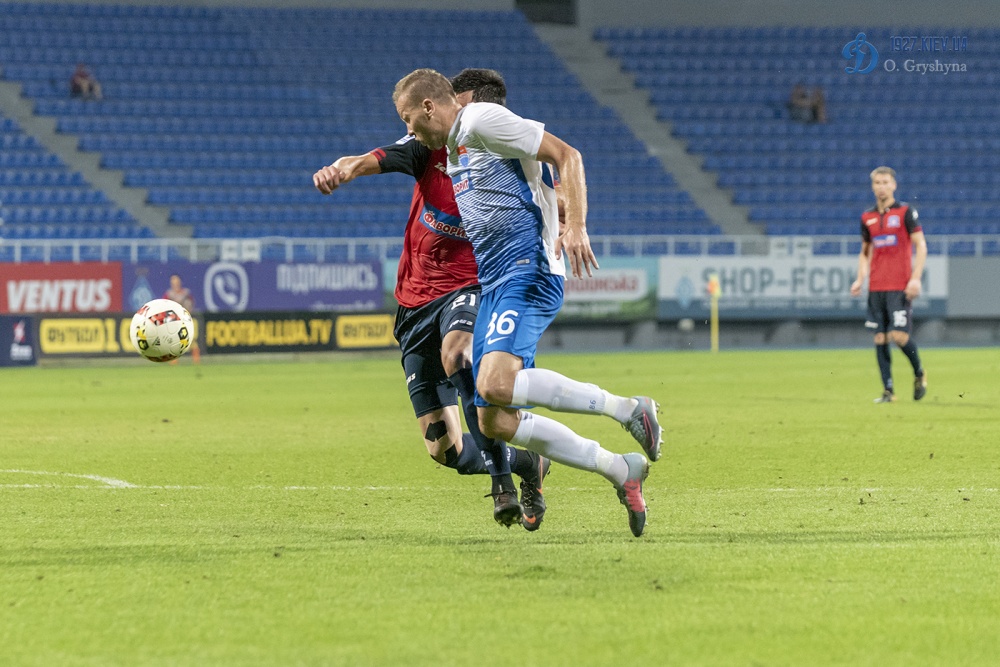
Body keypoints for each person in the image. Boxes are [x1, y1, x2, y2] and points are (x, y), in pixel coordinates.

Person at [391, 68, 664, 537]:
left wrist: (576, 226)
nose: (409, 129)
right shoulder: (456, 147)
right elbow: (532, 181)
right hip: (495, 281)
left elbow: (566, 155)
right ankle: (620, 468)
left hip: (527, 268)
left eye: (408, 118)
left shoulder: (479, 119)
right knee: (495, 420)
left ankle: (627, 408)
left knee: (495, 384)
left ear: (432, 106)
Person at [312, 69, 550, 531]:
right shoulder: (429, 147)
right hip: (413, 302)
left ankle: (502, 482)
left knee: (459, 353)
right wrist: (341, 170)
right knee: (446, 451)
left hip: (469, 288)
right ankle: (529, 463)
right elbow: (371, 157)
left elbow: (544, 196)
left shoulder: (510, 157)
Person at [850, 166, 928, 403]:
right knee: (880, 338)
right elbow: (865, 252)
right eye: (877, 183)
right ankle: (888, 391)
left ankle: (919, 373)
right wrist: (860, 278)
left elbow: (921, 245)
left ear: (894, 185)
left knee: (899, 336)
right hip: (876, 287)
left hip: (899, 286)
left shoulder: (905, 212)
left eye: (885, 182)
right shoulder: (867, 217)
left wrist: (915, 278)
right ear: (872, 186)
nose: (882, 187)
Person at [164, 274, 201, 365]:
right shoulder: (169, 294)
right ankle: (173, 361)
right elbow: (163, 307)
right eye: (173, 282)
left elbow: (190, 305)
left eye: (177, 282)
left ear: (180, 282)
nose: (175, 284)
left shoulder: (186, 293)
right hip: (173, 321)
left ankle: (197, 362)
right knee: (173, 341)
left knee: (191, 340)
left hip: (184, 320)